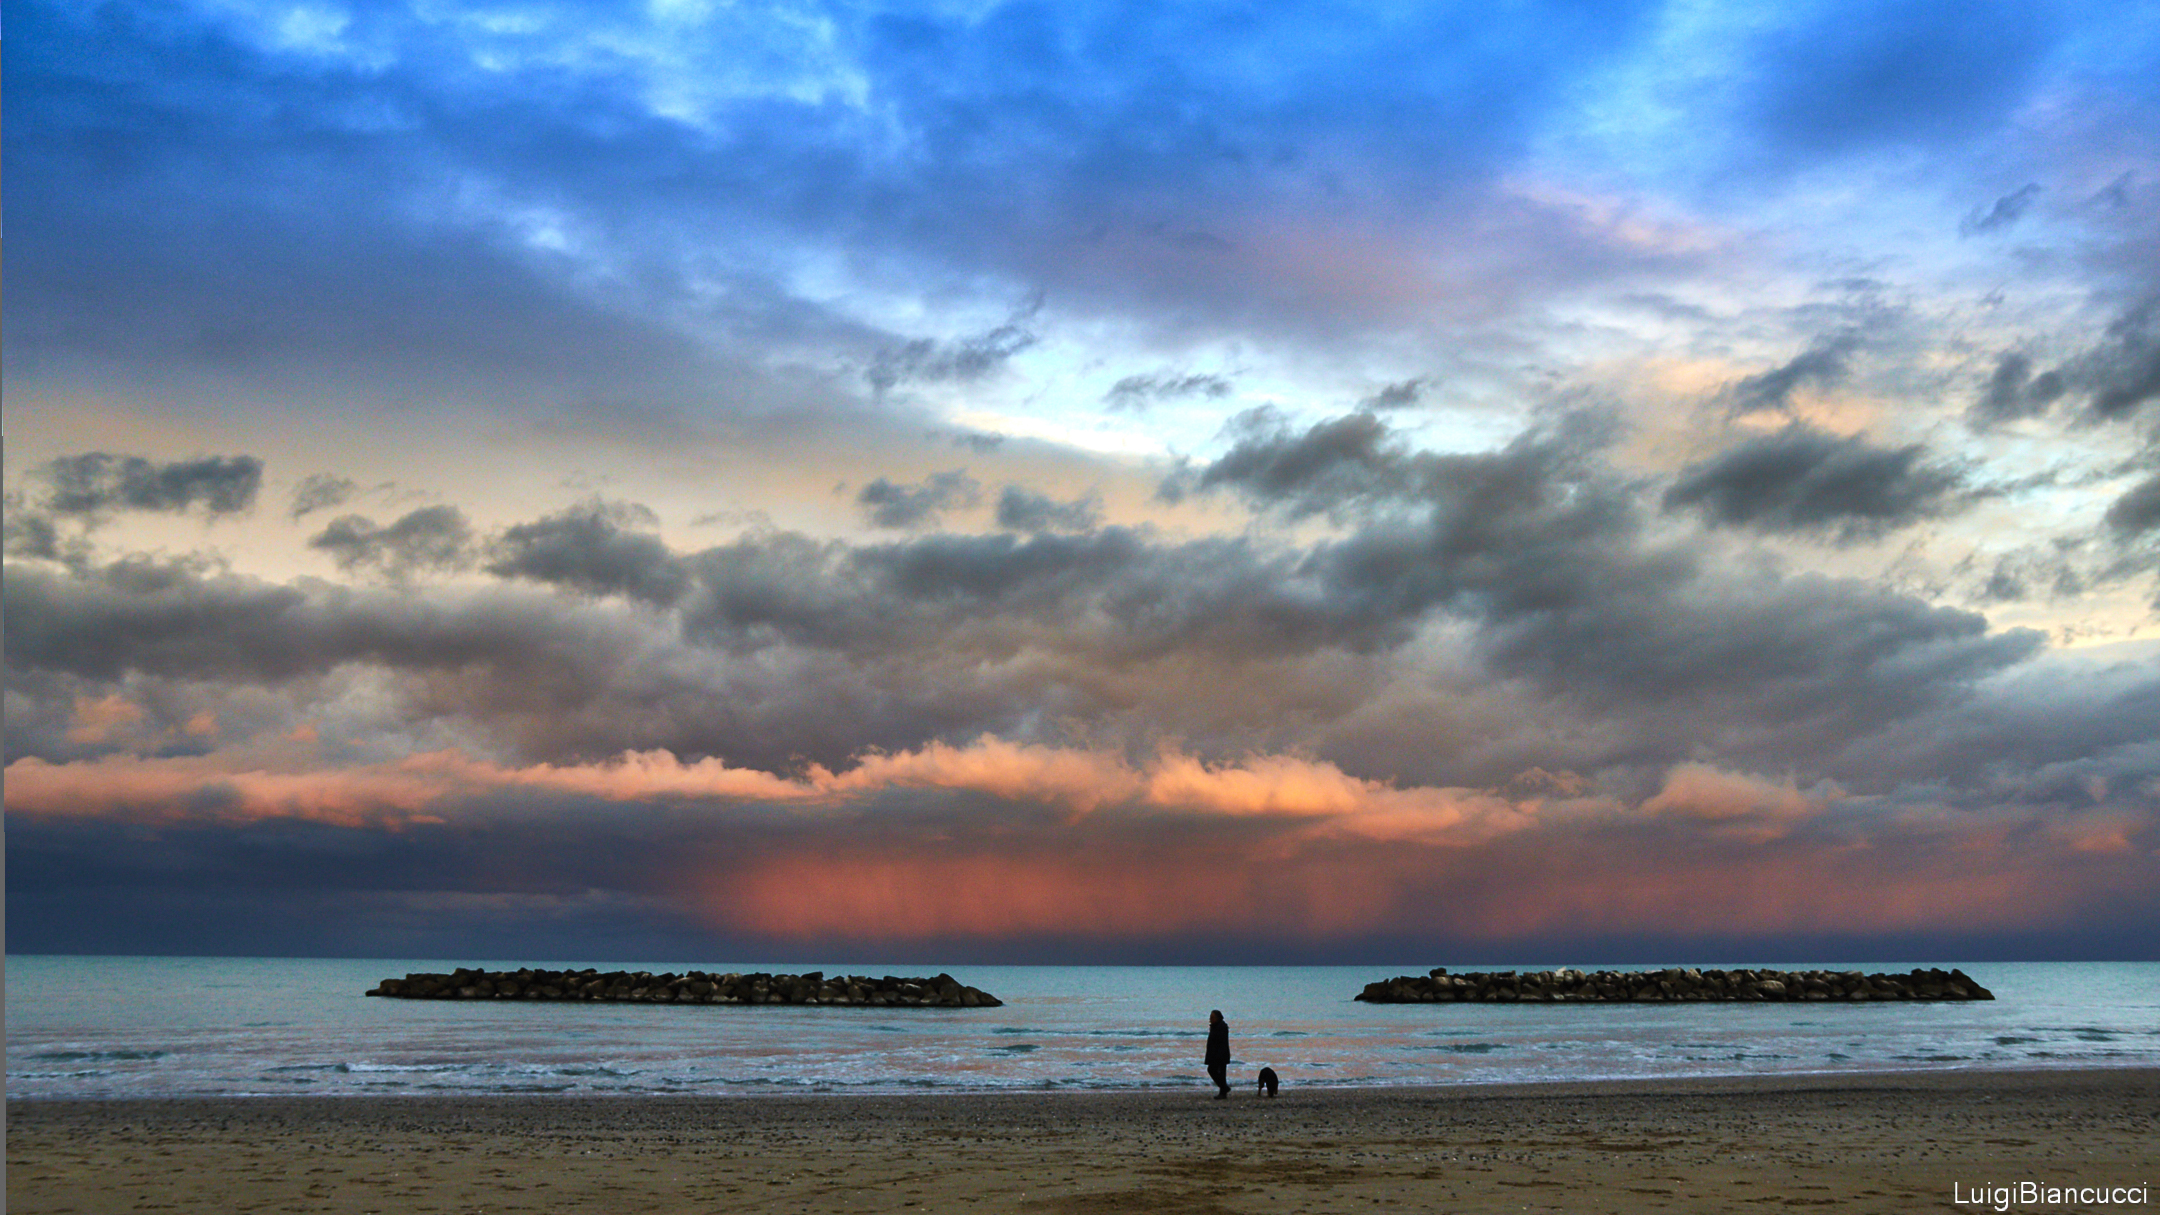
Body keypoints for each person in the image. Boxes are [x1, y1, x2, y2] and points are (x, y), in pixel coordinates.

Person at [1205, 1009, 1231, 1098]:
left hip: (1219, 1054)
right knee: (1219, 1073)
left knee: (1213, 1070)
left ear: (1217, 1017)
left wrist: (1217, 1055)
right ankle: (1223, 1091)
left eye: (1212, 1017)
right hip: (1217, 1054)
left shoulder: (1221, 1026)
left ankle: (1224, 1088)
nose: (1210, 1019)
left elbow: (1220, 1042)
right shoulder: (1216, 1026)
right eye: (1210, 1017)